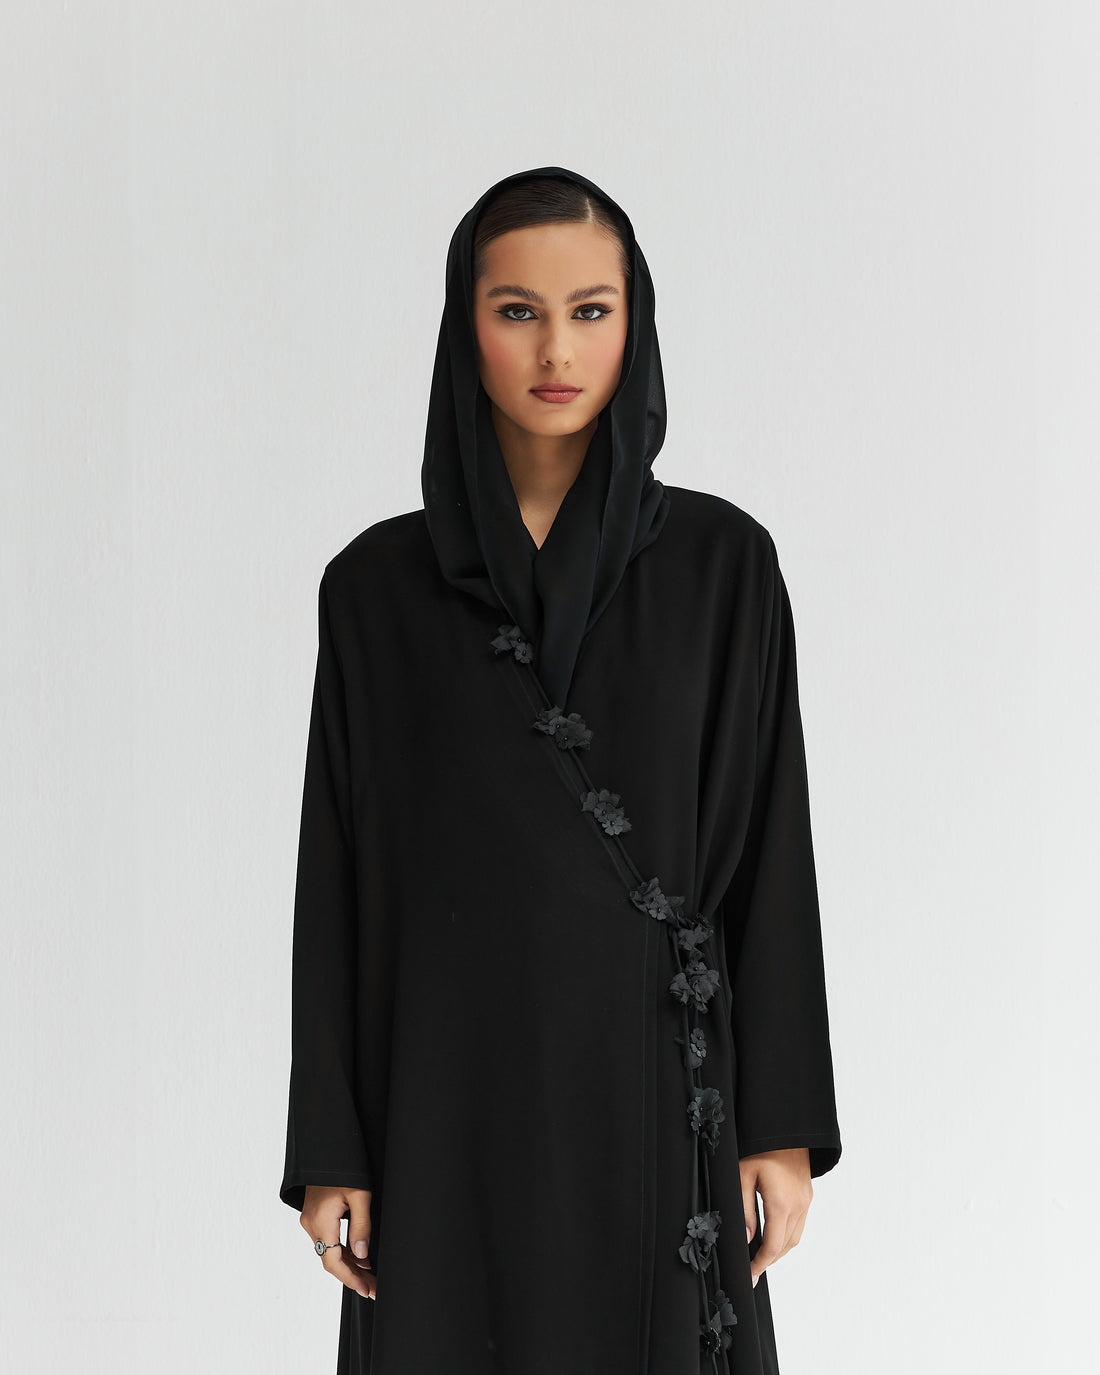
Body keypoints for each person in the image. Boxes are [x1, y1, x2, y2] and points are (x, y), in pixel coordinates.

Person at [279, 165, 843, 1375]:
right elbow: (337, 879)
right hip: (444, 1096)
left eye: (589, 310)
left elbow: (769, 850)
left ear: (634, 323)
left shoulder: (723, 568)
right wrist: (332, 1142)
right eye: (516, 311)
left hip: (652, 1088)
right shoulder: (374, 591)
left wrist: (780, 1125)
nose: (555, 349)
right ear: (464, 325)